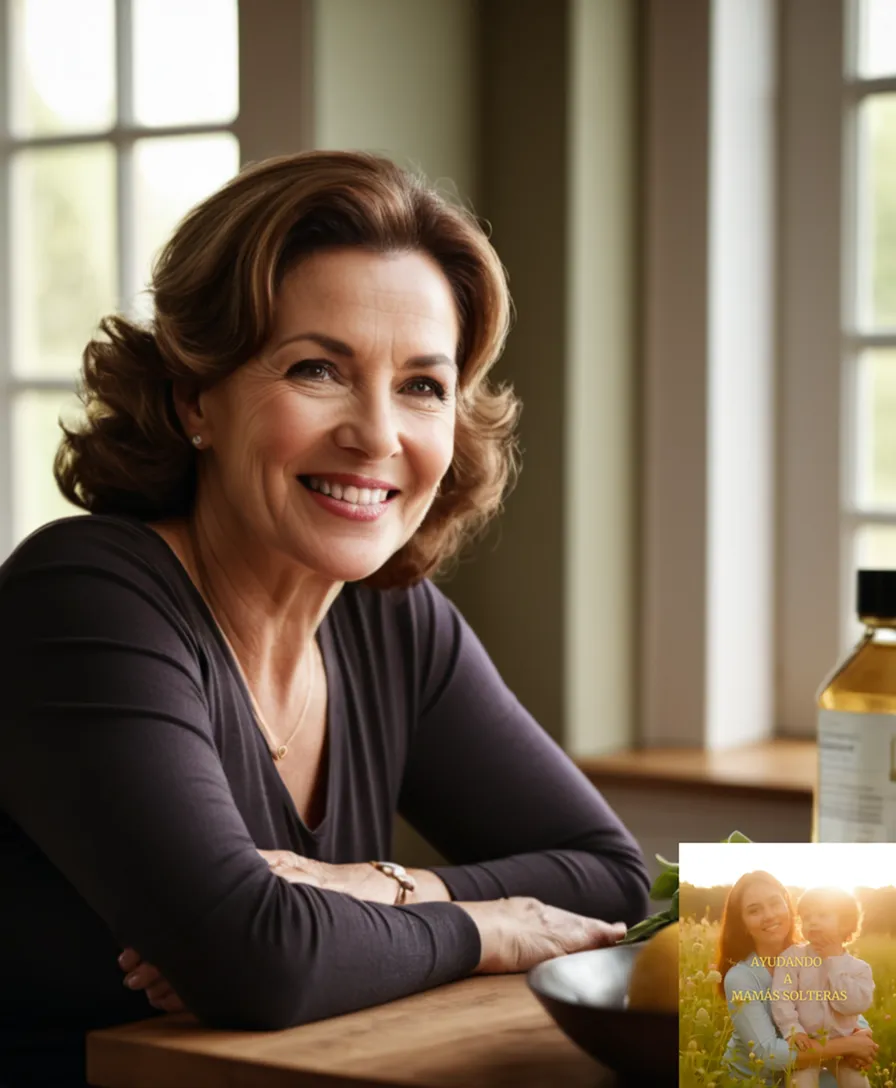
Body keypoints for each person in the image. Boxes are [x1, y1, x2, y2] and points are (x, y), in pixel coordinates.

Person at [0, 149, 650, 1087]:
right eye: (317, 369)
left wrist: (383, 891)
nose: (378, 434)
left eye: (423, 385)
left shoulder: (393, 624)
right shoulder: (82, 601)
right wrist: (488, 923)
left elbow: (614, 880)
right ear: (196, 399)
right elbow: (254, 958)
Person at [717, 872, 878, 1086]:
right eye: (754, 910)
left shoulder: (816, 954)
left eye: (775, 903)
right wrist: (849, 1045)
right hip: (756, 1079)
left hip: (808, 1065)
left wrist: (861, 1034)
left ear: (788, 906)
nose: (769, 915)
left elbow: (841, 1005)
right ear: (743, 923)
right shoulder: (741, 978)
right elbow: (768, 1053)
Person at [770, 886, 874, 1088]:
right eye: (807, 917)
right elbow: (782, 997)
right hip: (807, 1045)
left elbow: (852, 1006)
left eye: (823, 915)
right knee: (800, 1083)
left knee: (858, 1083)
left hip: (844, 1049)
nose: (813, 922)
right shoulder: (792, 958)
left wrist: (833, 961)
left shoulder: (859, 968)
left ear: (845, 923)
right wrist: (793, 1030)